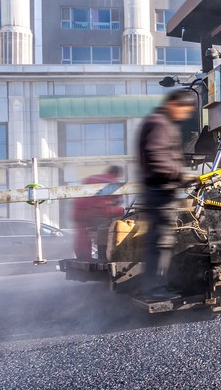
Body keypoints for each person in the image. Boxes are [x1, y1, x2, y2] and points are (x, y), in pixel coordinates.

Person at [138, 89, 196, 300]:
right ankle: (155, 290)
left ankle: (157, 286)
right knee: (160, 242)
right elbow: (156, 158)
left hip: (159, 191)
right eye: (185, 110)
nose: (185, 116)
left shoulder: (157, 121)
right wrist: (183, 175)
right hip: (159, 192)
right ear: (173, 104)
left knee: (160, 241)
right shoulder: (160, 123)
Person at [71, 165, 124, 260]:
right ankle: (108, 251)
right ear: (116, 174)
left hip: (79, 211)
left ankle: (83, 257)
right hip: (97, 211)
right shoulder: (113, 181)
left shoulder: (91, 178)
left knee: (82, 235)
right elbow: (118, 200)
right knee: (121, 212)